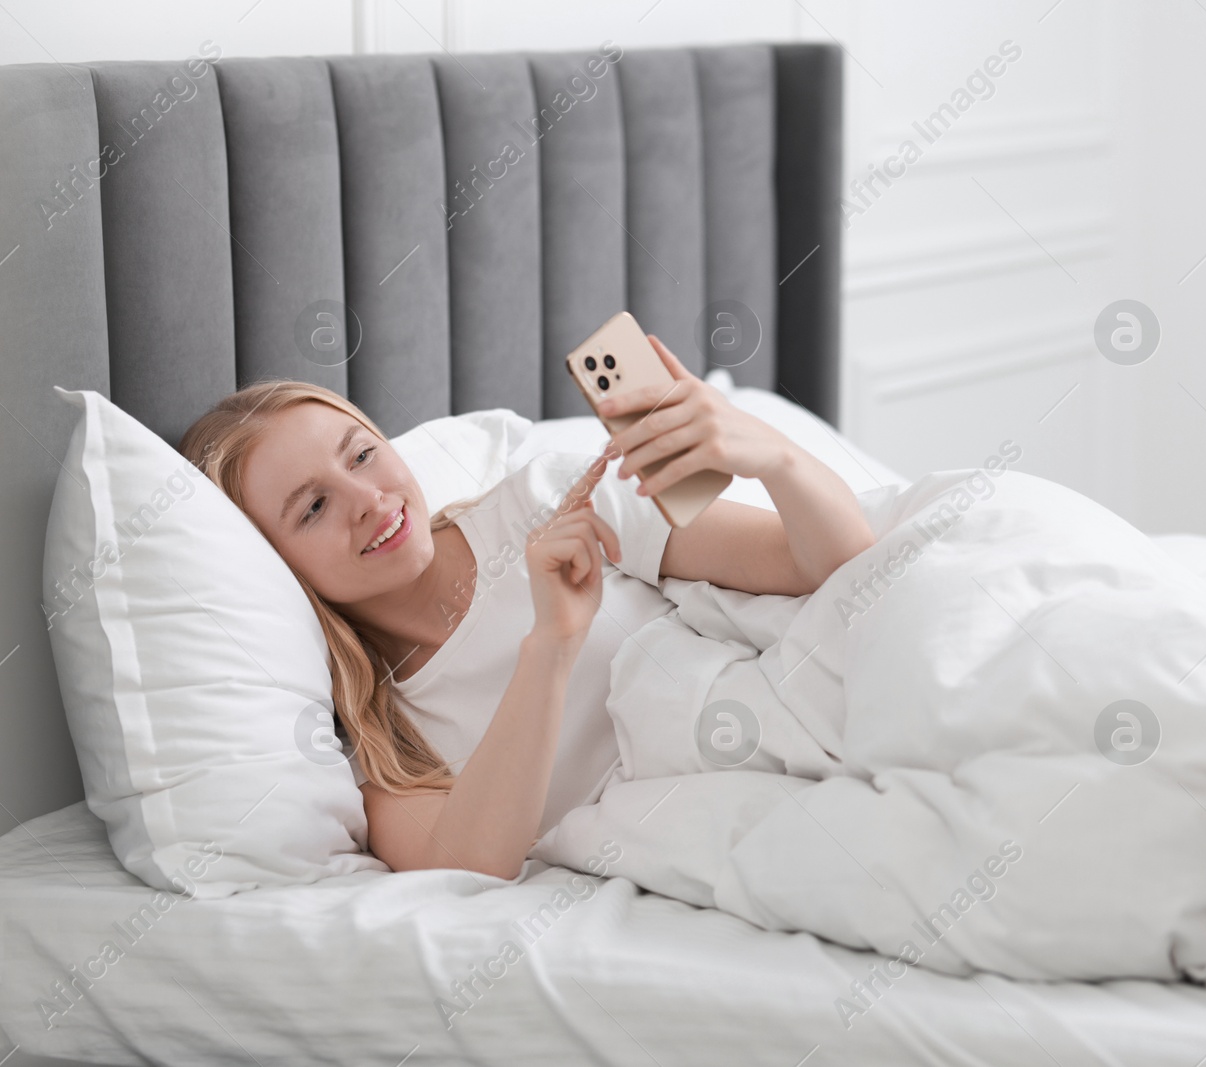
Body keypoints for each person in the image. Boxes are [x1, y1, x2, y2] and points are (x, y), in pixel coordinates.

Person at [179, 334, 876, 880]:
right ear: (276, 570)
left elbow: (830, 565)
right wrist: (550, 646)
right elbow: (470, 867)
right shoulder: (383, 738)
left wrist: (773, 458)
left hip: (821, 700)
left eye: (361, 454)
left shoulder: (545, 505)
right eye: (315, 506)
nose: (367, 500)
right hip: (722, 826)